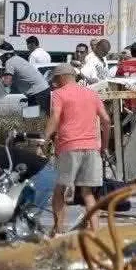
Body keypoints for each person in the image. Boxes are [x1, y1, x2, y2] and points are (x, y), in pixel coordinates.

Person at [44, 63, 111, 236]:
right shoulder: (92, 93)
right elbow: (106, 120)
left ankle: (59, 230)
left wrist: (43, 140)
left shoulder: (59, 94)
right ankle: (96, 233)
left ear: (61, 78)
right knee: (88, 194)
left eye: (55, 80)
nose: (54, 84)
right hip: (91, 148)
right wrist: (103, 146)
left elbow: (55, 117)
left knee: (60, 190)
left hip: (69, 147)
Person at [0, 42, 51, 114]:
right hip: (41, 91)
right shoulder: (17, 59)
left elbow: (7, 82)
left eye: (1, 56)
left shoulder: (9, 62)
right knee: (31, 118)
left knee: (31, 119)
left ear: (8, 55)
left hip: (37, 94)